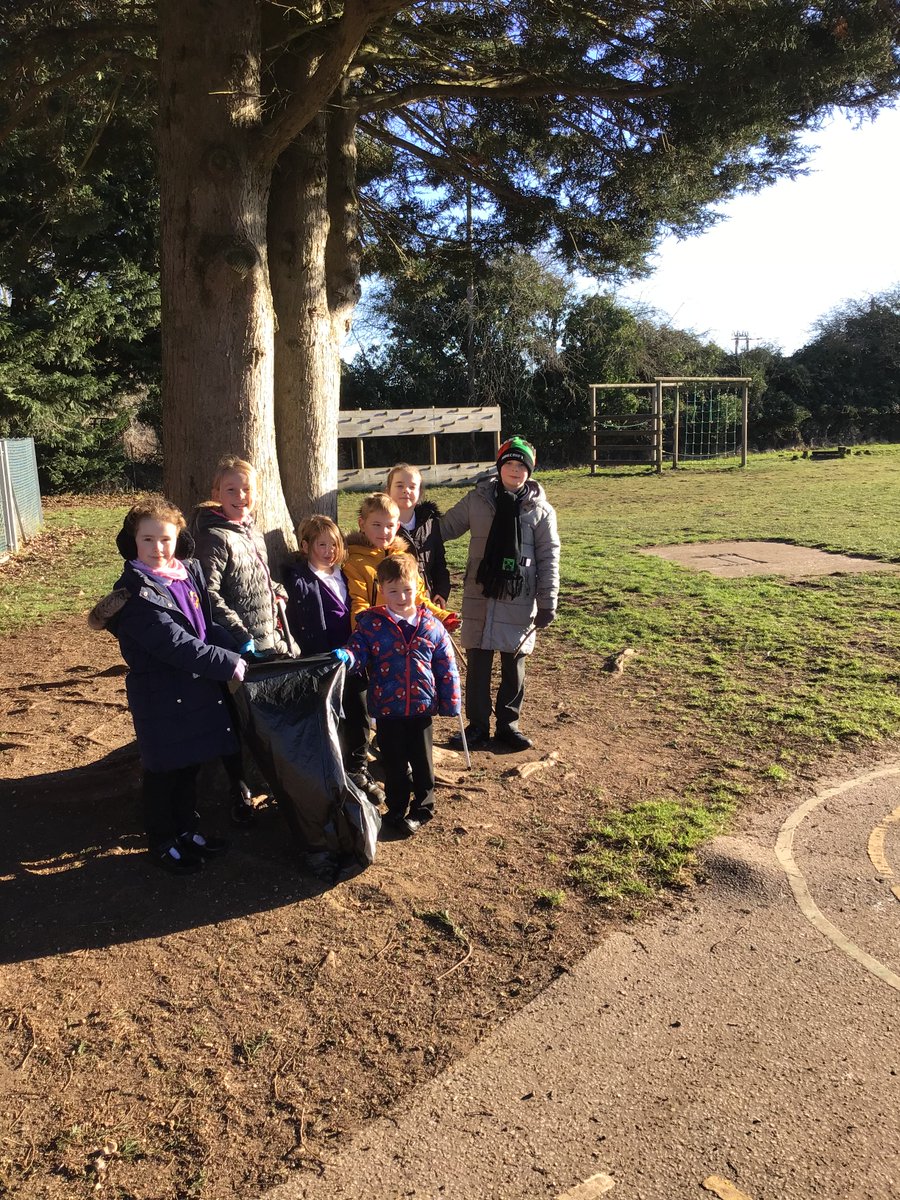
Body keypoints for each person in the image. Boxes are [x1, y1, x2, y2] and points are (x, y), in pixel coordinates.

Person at [102, 496, 246, 874]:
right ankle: (162, 841)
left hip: (194, 693)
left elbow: (203, 627)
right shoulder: (135, 594)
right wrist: (228, 664)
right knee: (163, 771)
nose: (157, 548)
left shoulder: (186, 574)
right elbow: (176, 645)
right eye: (147, 540)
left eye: (165, 539)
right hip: (160, 698)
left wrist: (239, 647)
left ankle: (187, 831)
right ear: (132, 542)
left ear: (178, 540)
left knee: (189, 767)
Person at [440, 435, 560, 752]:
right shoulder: (477, 501)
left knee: (514, 664)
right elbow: (444, 529)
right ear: (500, 465)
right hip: (480, 594)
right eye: (510, 463)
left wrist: (548, 602)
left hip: (519, 598)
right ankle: (477, 726)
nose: (516, 470)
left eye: (523, 465)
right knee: (478, 664)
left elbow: (549, 557)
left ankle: (509, 726)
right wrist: (410, 522)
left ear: (530, 471)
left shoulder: (541, 511)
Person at [336, 554, 460, 835]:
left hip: (421, 707)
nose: (402, 596)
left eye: (407, 589)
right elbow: (359, 650)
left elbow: (446, 665)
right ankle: (395, 808)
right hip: (387, 707)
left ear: (417, 586)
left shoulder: (430, 625)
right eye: (393, 591)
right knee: (393, 762)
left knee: (422, 761)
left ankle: (423, 808)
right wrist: (347, 656)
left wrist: (451, 700)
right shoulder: (371, 623)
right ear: (382, 590)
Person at [282, 514, 382, 805]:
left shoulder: (347, 573)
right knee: (329, 720)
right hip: (324, 663)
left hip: (355, 658)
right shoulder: (301, 580)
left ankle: (358, 769)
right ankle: (331, 776)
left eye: (334, 544)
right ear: (305, 546)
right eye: (321, 545)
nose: (329, 551)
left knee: (360, 715)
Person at [189, 455, 289, 660]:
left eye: (247, 489)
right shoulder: (214, 537)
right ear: (217, 495)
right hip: (241, 644)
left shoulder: (253, 533)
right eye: (231, 490)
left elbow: (254, 578)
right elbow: (208, 592)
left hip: (269, 637)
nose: (240, 495)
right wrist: (239, 634)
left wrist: (278, 591)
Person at [343, 491, 459, 631]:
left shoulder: (403, 558)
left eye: (389, 526)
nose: (384, 532)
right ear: (362, 524)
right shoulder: (354, 562)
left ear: (397, 526)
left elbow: (417, 596)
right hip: (377, 635)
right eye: (376, 525)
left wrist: (441, 616)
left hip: (406, 632)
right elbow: (359, 603)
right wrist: (364, 633)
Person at [386, 463, 451, 606]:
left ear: (420, 492)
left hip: (426, 603)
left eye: (412, 486)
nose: (406, 491)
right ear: (388, 491)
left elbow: (439, 564)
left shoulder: (431, 524)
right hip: (394, 603)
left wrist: (441, 592)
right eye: (399, 486)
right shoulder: (380, 527)